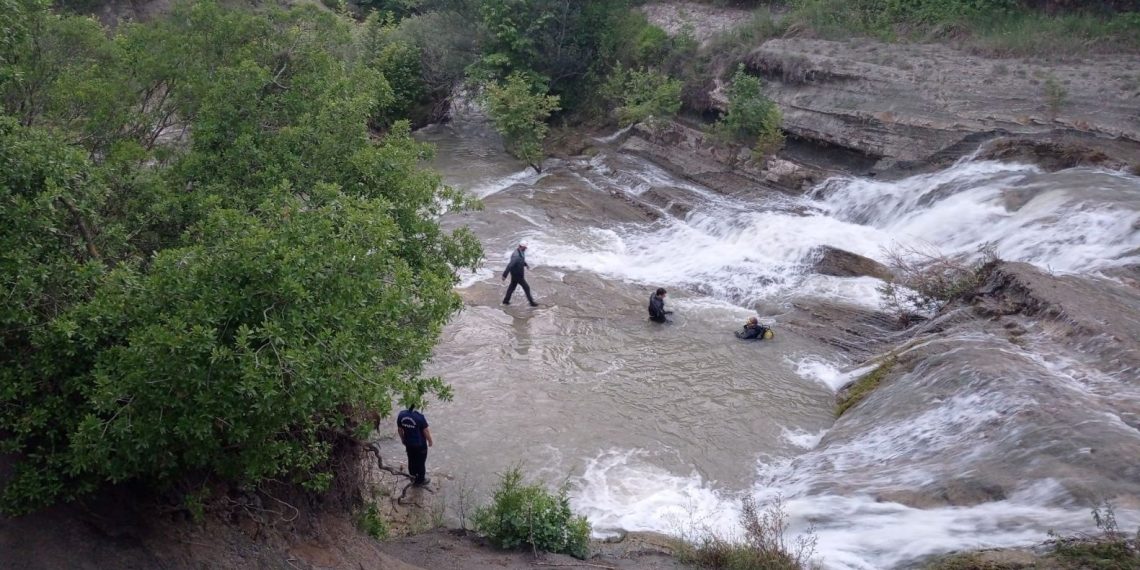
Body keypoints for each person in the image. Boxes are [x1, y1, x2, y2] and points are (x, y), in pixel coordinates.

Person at [396, 403, 433, 486]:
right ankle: (420, 480)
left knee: (411, 459)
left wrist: (402, 439)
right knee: (420, 462)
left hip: (408, 443)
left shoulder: (401, 415)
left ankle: (412, 476)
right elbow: (425, 431)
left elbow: (399, 429)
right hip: (420, 445)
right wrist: (430, 441)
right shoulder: (419, 417)